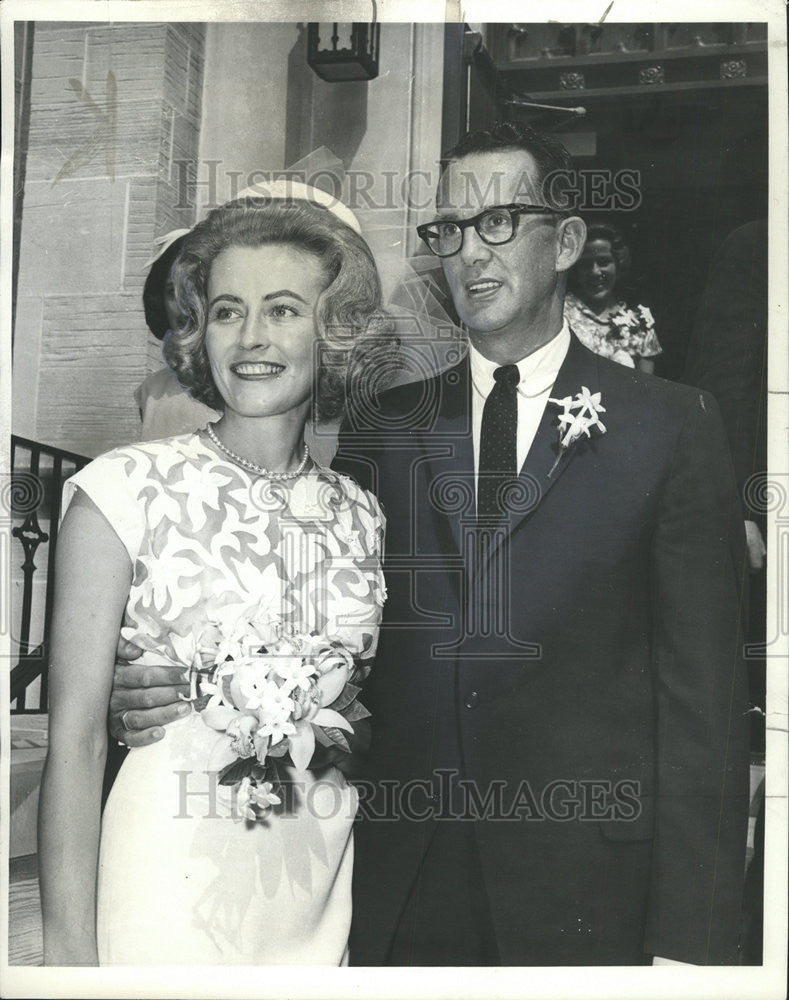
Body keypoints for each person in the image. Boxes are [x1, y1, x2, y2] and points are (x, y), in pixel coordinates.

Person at [111, 123, 751, 966]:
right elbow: (316, 637)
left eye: (497, 223)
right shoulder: (387, 423)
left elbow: (702, 703)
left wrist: (692, 943)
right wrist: (171, 689)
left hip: (588, 887)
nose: (467, 253)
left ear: (563, 242)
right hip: (405, 885)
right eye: (447, 231)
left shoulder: (669, 426)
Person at [38, 194, 392, 965]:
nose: (252, 338)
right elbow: (73, 743)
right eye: (228, 311)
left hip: (318, 870)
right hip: (167, 869)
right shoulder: (122, 489)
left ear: (331, 331)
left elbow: (364, 712)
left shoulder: (361, 513)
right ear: (199, 331)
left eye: (284, 310)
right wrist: (66, 967)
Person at [136, 229, 221, 440]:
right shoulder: (152, 390)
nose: (184, 305)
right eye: (172, 291)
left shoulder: (255, 378)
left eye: (196, 289)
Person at [564, 221, 661, 373]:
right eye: (586, 264)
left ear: (618, 263)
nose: (595, 272)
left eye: (603, 262)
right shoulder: (561, 314)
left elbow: (646, 387)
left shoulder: (639, 321)